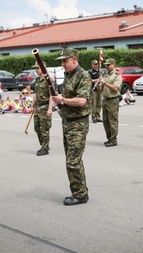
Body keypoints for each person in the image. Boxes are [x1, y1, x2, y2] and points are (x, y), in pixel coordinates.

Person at [51, 48, 91, 206]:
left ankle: (80, 195)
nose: (62, 64)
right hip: (67, 121)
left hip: (78, 123)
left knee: (73, 160)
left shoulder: (83, 76)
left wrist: (62, 101)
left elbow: (82, 101)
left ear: (74, 59)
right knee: (71, 159)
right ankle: (79, 191)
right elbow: (66, 97)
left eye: (64, 61)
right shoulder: (68, 75)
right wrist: (61, 104)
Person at [29, 61, 54, 156]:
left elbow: (52, 95)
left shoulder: (49, 80)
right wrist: (32, 106)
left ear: (43, 68)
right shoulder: (37, 80)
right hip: (38, 106)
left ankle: (45, 148)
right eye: (35, 68)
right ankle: (44, 144)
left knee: (44, 129)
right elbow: (36, 94)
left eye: (37, 68)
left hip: (45, 106)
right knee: (37, 128)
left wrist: (50, 109)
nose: (36, 70)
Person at [96, 58, 122, 147]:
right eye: (106, 65)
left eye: (108, 65)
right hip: (105, 100)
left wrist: (105, 82)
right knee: (106, 121)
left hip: (113, 100)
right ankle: (109, 138)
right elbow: (101, 89)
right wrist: (98, 84)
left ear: (113, 65)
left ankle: (113, 139)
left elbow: (115, 88)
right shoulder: (105, 75)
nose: (106, 66)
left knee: (113, 121)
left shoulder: (117, 75)